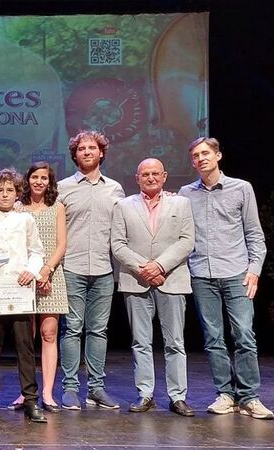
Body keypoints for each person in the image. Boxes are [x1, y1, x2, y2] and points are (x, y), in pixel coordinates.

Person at [179, 137, 272, 420]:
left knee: (244, 334)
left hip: (236, 273)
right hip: (201, 275)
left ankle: (249, 397)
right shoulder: (185, 193)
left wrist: (254, 269)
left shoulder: (241, 189)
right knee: (213, 338)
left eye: (205, 153)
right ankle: (225, 394)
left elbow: (255, 235)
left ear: (218, 155)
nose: (201, 159)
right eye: (195, 156)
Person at [112, 158, 195, 417]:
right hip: (136, 281)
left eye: (155, 173)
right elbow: (118, 244)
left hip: (172, 279)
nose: (150, 177)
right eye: (145, 174)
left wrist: (159, 266)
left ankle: (178, 396)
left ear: (164, 176)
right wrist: (144, 269)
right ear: (137, 178)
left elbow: (187, 241)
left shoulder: (181, 203)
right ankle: (145, 393)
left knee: (175, 342)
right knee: (141, 341)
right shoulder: (123, 206)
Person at [0, 169, 47, 423]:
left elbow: (36, 251)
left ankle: (31, 400)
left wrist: (31, 270)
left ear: (17, 193)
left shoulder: (25, 220)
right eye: (0, 190)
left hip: (20, 290)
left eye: (10, 190)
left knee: (25, 348)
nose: (5, 195)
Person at [58, 130, 125, 410]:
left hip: (103, 269)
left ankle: (96, 388)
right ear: (74, 154)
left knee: (98, 330)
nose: (86, 152)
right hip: (71, 267)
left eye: (92, 147)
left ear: (101, 153)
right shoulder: (62, 188)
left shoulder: (115, 189)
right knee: (72, 329)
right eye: (81, 148)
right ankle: (70, 387)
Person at [9, 162, 68, 412]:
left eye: (44, 178)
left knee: (49, 333)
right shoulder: (17, 208)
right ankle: (27, 391)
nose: (39, 182)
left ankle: (47, 392)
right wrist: (33, 272)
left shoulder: (57, 207)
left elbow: (61, 245)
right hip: (25, 277)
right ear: (28, 179)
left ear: (49, 181)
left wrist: (46, 271)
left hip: (51, 277)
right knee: (25, 337)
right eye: (35, 177)